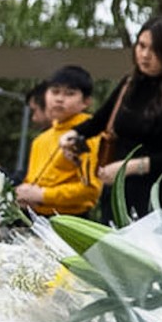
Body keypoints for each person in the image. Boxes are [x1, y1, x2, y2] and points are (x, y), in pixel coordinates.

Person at [64, 16, 162, 217]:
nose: (145, 55)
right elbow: (98, 122)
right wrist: (71, 135)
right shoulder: (128, 85)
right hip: (118, 192)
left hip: (160, 195)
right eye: (141, 45)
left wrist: (129, 167)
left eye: (155, 50)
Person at [15, 66, 102, 217]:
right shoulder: (40, 140)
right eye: (55, 92)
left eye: (70, 93)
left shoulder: (88, 134)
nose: (59, 99)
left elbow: (91, 189)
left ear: (86, 102)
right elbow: (32, 182)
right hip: (37, 217)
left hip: (71, 220)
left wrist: (43, 195)